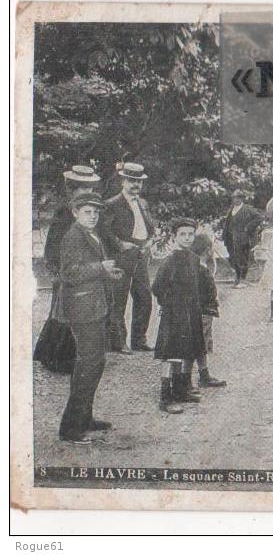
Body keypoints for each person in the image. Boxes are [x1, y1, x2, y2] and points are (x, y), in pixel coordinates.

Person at [57, 192, 124, 444]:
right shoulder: (73, 236)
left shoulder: (90, 234)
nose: (93, 216)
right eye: (87, 212)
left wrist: (108, 274)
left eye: (96, 212)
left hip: (93, 306)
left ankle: (85, 418)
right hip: (83, 309)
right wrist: (101, 268)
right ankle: (70, 429)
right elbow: (69, 273)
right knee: (88, 365)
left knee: (94, 364)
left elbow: (90, 269)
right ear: (75, 212)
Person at [35, 165, 100, 374]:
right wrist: (59, 270)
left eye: (90, 188)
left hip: (83, 268)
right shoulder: (65, 212)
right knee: (63, 313)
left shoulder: (89, 210)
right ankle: (56, 358)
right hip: (67, 269)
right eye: (82, 188)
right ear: (72, 189)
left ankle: (71, 357)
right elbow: (53, 245)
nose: (87, 192)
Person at [99, 162, 155, 354]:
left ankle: (139, 340)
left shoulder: (144, 203)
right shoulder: (111, 204)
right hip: (121, 255)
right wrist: (120, 244)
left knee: (145, 297)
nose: (135, 185)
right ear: (123, 181)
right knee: (119, 299)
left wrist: (148, 242)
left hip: (140, 254)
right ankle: (118, 342)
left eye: (138, 181)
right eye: (131, 180)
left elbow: (149, 227)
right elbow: (104, 230)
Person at [152, 218, 205, 414]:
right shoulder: (170, 261)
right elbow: (157, 287)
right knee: (171, 353)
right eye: (183, 234)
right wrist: (167, 304)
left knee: (187, 349)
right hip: (174, 313)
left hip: (190, 311)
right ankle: (165, 397)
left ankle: (181, 390)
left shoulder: (193, 258)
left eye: (191, 234)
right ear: (174, 237)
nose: (187, 238)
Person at [191, 233, 227, 388]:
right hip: (202, 311)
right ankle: (195, 376)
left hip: (204, 310)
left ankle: (203, 374)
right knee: (198, 344)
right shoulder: (200, 269)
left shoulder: (201, 267)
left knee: (201, 345)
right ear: (207, 250)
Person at [222, 189, 263, 289]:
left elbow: (259, 217)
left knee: (242, 258)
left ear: (241, 198)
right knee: (232, 258)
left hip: (243, 238)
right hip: (230, 238)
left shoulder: (247, 209)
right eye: (234, 198)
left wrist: (248, 227)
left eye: (237, 197)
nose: (235, 200)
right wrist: (224, 234)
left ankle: (242, 279)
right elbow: (227, 223)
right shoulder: (231, 209)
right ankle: (237, 277)